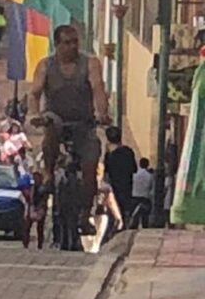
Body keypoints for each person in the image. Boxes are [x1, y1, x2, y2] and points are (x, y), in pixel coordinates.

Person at [28, 24, 111, 233]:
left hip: (84, 123)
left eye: (75, 42)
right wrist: (34, 114)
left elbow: (98, 88)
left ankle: (85, 215)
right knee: (51, 128)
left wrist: (102, 113)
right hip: (55, 118)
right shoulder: (45, 65)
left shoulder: (90, 63)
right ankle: (48, 173)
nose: (72, 46)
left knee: (91, 166)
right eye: (67, 42)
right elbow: (35, 93)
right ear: (57, 44)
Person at [104, 126, 137, 224]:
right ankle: (126, 220)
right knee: (125, 204)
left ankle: (118, 221)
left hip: (114, 185)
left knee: (117, 205)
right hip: (127, 184)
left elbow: (106, 171)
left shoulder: (110, 155)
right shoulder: (128, 151)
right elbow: (134, 169)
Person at [23, 170, 48, 250]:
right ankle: (26, 243)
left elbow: (44, 199)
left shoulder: (43, 189)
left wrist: (41, 207)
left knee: (40, 228)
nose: (36, 180)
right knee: (27, 226)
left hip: (40, 208)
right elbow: (29, 198)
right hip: (32, 207)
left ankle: (40, 244)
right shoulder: (32, 187)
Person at [130, 157, 154, 229]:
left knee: (135, 217)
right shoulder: (149, 175)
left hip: (135, 196)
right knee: (145, 218)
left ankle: (133, 228)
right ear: (147, 165)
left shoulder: (135, 175)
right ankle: (144, 229)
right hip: (145, 197)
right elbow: (151, 186)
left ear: (139, 164)